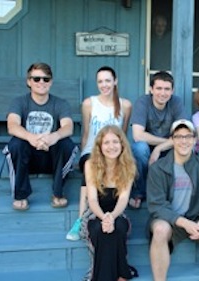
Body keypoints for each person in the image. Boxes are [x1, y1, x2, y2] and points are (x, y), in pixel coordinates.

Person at [146, 119, 199, 281]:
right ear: (172, 140)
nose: (184, 141)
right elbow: (156, 205)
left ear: (194, 140)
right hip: (170, 221)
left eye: (188, 136)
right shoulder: (158, 168)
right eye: (179, 137)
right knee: (159, 230)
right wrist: (184, 223)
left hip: (198, 219)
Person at [66, 66, 132, 241]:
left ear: (115, 81)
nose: (104, 85)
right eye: (100, 81)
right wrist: (82, 153)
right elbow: (86, 132)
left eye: (108, 80)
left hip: (114, 151)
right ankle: (80, 220)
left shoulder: (125, 105)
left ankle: (116, 212)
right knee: (90, 164)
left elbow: (122, 135)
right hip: (92, 150)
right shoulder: (89, 103)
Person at [3, 62, 78, 211]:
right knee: (16, 144)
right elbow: (12, 125)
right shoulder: (19, 102)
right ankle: (21, 194)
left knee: (66, 144)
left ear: (51, 82)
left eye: (46, 79)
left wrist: (53, 137)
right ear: (28, 81)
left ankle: (58, 193)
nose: (41, 82)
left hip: (52, 159)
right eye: (36, 79)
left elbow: (68, 127)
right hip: (27, 159)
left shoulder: (60, 103)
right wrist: (31, 137)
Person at [83, 125, 137, 281]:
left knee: (118, 228)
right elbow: (92, 199)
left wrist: (112, 217)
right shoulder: (90, 165)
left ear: (122, 145)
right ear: (100, 146)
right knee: (101, 230)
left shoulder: (129, 166)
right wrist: (104, 218)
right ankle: (121, 274)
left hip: (119, 213)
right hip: (94, 214)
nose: (111, 146)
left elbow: (123, 199)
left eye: (115, 142)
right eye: (106, 143)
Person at [129, 71, 187, 208]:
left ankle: (172, 195)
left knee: (184, 149)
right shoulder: (143, 102)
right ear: (151, 89)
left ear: (172, 90)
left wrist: (159, 148)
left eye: (167, 89)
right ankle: (139, 192)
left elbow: (183, 134)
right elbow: (138, 135)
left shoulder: (176, 102)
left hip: (168, 148)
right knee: (139, 148)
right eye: (159, 88)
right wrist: (166, 142)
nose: (163, 93)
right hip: (150, 147)